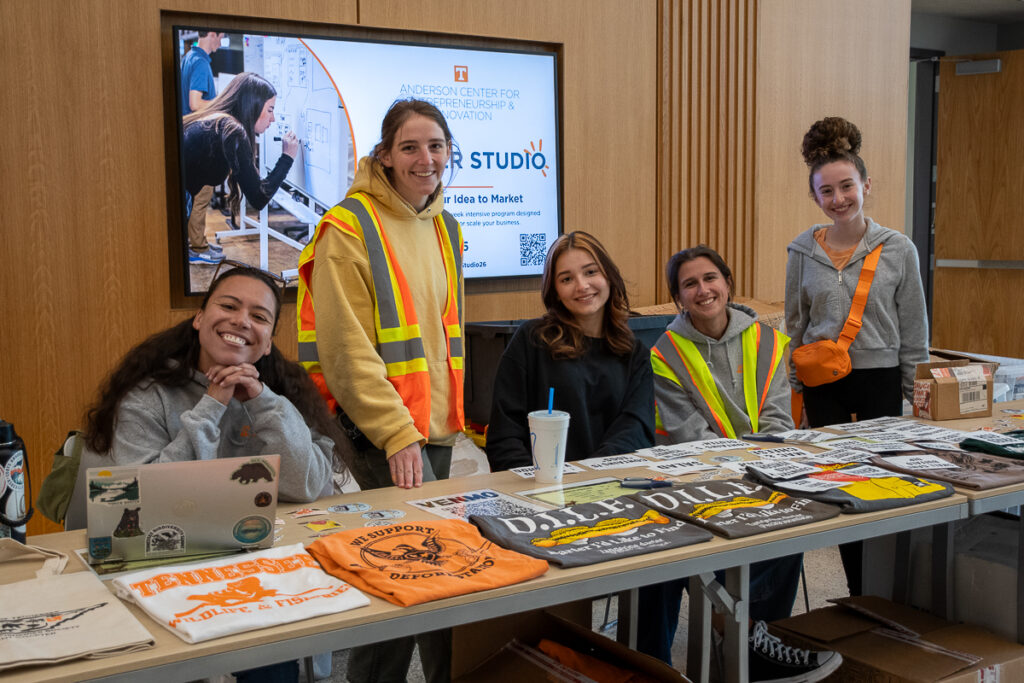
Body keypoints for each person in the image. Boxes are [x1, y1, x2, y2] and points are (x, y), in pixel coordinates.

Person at [82, 264, 355, 683]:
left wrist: (264, 402)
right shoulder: (147, 396)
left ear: (267, 344)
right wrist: (212, 405)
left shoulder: (281, 392)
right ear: (199, 319)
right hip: (162, 567)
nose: (242, 321)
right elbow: (139, 502)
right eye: (228, 305)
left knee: (273, 659)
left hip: (256, 568)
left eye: (259, 317)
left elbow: (309, 486)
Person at [295, 98, 463, 683]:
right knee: (392, 595)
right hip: (379, 440)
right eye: (410, 147)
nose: (425, 158)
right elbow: (345, 353)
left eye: (436, 146)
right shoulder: (348, 226)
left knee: (443, 589)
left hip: (434, 436)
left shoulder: (445, 225)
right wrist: (396, 434)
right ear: (385, 156)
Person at [636, 245, 839, 682]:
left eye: (710, 278)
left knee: (794, 522)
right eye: (689, 284)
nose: (703, 290)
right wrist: (741, 469)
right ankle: (739, 635)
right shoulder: (663, 354)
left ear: (727, 283)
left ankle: (750, 636)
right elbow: (690, 435)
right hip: (698, 477)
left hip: (764, 469)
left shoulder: (766, 339)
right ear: (678, 298)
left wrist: (758, 469)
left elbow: (779, 421)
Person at [786, 116, 928, 595]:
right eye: (827, 191)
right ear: (815, 198)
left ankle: (884, 592)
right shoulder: (802, 251)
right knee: (837, 489)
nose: (838, 199)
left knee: (881, 485)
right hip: (823, 386)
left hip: (880, 380)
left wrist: (920, 396)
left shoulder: (898, 249)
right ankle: (856, 591)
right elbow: (795, 325)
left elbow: (913, 330)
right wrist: (793, 386)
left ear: (866, 185)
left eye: (847, 186)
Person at [486, 230, 654, 472]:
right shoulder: (531, 340)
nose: (582, 286)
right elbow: (505, 434)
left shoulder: (633, 351)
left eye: (590, 272)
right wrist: (539, 484)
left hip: (611, 482)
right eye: (566, 279)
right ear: (554, 290)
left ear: (608, 275)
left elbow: (635, 428)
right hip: (538, 489)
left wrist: (590, 476)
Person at [182, 72, 299, 265]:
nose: (273, 119)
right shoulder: (232, 131)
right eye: (270, 110)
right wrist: (287, 157)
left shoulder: (220, 121)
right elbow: (259, 197)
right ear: (252, 105)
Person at [180, 30, 225, 264]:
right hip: (197, 140)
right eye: (221, 36)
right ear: (211, 34)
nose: (221, 41)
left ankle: (197, 242)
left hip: (189, 138)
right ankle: (197, 248)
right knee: (202, 193)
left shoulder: (189, 58)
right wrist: (222, 103)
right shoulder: (199, 63)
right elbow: (195, 102)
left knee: (193, 196)